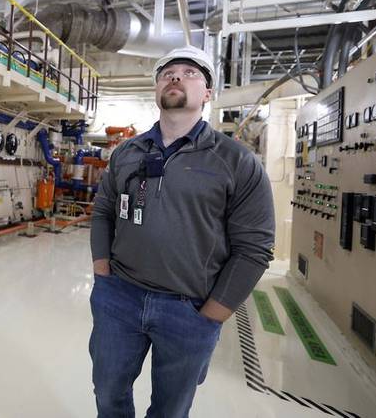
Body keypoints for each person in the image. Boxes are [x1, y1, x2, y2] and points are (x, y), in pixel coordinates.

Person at [89, 45, 275, 418]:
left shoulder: (236, 161)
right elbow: (104, 211)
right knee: (108, 394)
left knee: (171, 410)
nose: (175, 77)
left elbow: (254, 248)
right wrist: (103, 273)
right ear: (157, 89)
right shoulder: (127, 153)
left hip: (188, 309)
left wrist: (211, 316)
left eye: (190, 73)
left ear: (207, 94)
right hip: (119, 300)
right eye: (167, 73)